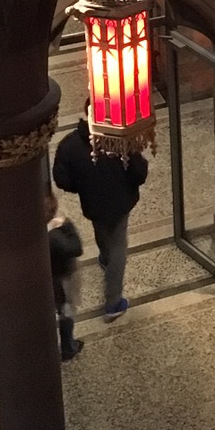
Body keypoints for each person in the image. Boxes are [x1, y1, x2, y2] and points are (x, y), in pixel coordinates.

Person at [52, 108, 148, 320]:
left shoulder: (69, 145)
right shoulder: (120, 138)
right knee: (118, 247)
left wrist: (82, 186)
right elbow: (139, 171)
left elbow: (62, 179)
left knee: (101, 230)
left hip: (93, 203)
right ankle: (113, 302)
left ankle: (105, 257)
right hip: (121, 202)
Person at [46, 190, 84, 362]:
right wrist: (66, 225)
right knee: (67, 310)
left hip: (52, 277)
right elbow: (76, 248)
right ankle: (68, 346)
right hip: (63, 278)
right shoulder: (54, 236)